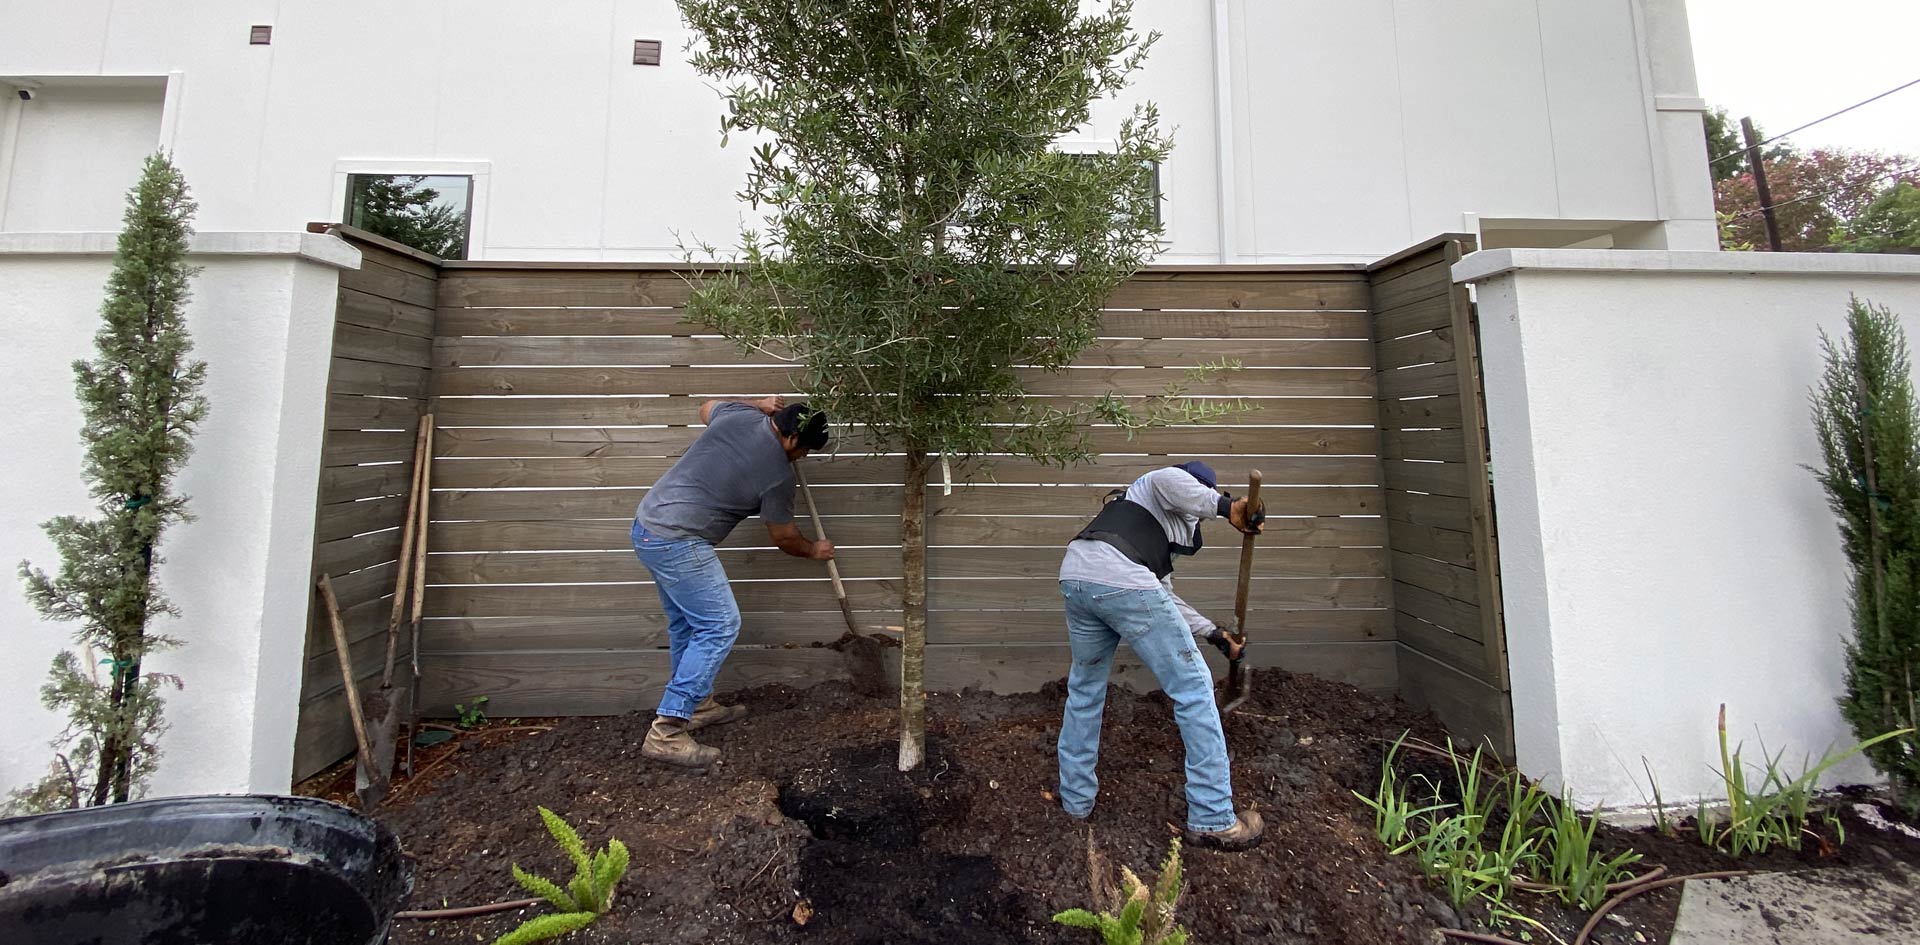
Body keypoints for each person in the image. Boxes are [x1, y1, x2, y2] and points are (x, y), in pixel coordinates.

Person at [1056, 461, 1267, 850]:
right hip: (1117, 580)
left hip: (1078, 577)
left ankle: (1075, 802)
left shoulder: (1139, 529)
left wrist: (1213, 633)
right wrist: (1227, 508)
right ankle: (1212, 816)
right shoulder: (1156, 484)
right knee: (1194, 687)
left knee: (1084, 690)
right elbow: (1171, 481)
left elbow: (1160, 596)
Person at [633, 395, 833, 767]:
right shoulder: (776, 474)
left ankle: (697, 705)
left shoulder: (738, 415)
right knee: (719, 625)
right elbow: (784, 537)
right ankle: (667, 732)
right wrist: (813, 551)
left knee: (688, 625)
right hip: (677, 539)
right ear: (791, 440)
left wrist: (758, 402)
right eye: (805, 450)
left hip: (648, 526)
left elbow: (706, 406)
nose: (802, 458)